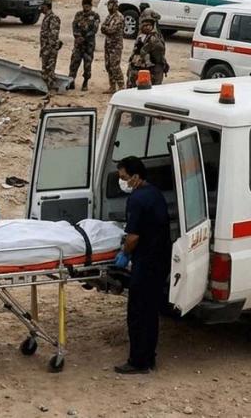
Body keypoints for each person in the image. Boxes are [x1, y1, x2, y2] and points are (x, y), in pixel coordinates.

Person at [113, 156, 171, 374]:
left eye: (124, 177)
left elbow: (133, 237)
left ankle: (138, 361)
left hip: (146, 263)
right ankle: (149, 357)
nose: (122, 182)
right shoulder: (155, 193)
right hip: (160, 260)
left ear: (136, 176)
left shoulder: (136, 199)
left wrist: (124, 254)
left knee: (137, 313)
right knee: (151, 311)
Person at [67, 0, 100, 91]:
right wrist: (78, 36)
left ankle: (85, 82)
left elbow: (94, 30)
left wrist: (84, 37)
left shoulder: (95, 16)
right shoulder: (78, 14)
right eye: (85, 5)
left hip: (88, 45)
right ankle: (71, 81)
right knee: (74, 63)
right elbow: (74, 26)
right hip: (78, 44)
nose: (86, 7)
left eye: (88, 5)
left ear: (91, 6)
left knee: (87, 65)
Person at [126, 17, 167, 87]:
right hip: (137, 68)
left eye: (149, 25)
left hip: (151, 69)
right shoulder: (140, 36)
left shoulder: (155, 37)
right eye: (145, 25)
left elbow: (159, 55)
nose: (147, 27)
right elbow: (135, 52)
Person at [101, 0, 125, 93]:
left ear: (115, 6)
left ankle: (121, 86)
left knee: (115, 66)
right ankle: (112, 86)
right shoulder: (109, 16)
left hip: (116, 46)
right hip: (108, 44)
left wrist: (105, 28)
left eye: (110, 5)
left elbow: (112, 30)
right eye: (108, 5)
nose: (109, 7)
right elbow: (102, 27)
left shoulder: (119, 17)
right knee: (108, 65)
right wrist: (105, 28)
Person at [39, 0, 61, 94]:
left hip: (50, 49)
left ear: (46, 6)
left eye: (42, 6)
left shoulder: (53, 18)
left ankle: (52, 90)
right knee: (45, 71)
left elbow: (53, 35)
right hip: (45, 48)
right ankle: (48, 90)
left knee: (49, 70)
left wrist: (48, 49)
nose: (40, 8)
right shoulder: (47, 17)